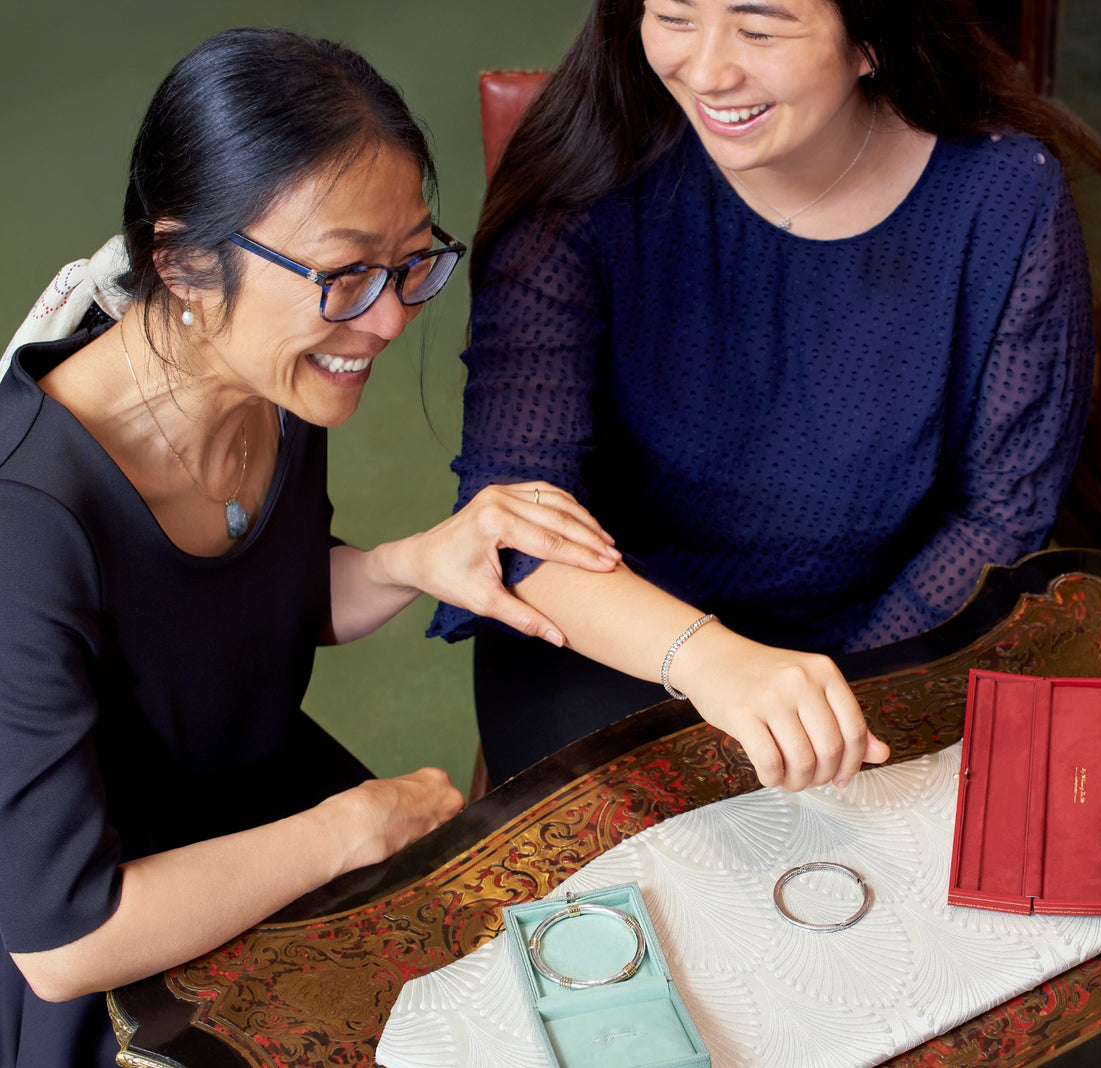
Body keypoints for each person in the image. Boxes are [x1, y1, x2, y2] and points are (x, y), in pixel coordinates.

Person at [0, 28, 873, 1067]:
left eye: (411, 262)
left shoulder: (271, 374)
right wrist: (350, 830)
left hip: (256, 800)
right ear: (186, 259)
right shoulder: (25, 521)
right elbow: (64, 938)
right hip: (125, 947)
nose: (385, 320)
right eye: (344, 274)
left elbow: (229, 608)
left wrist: (412, 562)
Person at [432, 0, 1096, 783]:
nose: (708, 70)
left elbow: (997, 511)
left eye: (759, 28)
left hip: (892, 635)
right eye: (673, 17)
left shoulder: (1003, 196)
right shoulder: (586, 174)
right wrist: (713, 661)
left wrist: (837, 688)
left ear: (871, 41)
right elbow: (517, 518)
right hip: (614, 634)